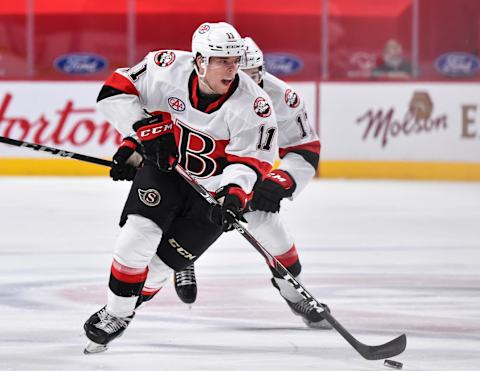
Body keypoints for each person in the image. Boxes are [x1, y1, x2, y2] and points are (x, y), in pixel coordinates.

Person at [84, 22, 278, 353]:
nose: (232, 69)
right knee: (137, 237)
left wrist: (233, 196)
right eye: (222, 61)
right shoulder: (166, 68)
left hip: (212, 193)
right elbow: (115, 92)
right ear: (200, 61)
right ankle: (115, 315)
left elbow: (251, 161)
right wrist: (141, 133)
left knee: (160, 268)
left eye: (235, 60)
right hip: (167, 173)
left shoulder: (253, 105)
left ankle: (126, 307)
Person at [139, 37, 332, 330]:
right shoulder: (192, 85)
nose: (238, 79)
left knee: (271, 230)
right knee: (172, 229)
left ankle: (296, 295)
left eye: (249, 72)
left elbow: (305, 147)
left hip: (242, 181)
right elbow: (154, 116)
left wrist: (281, 181)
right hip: (194, 176)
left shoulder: (278, 99)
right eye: (232, 68)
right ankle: (121, 308)